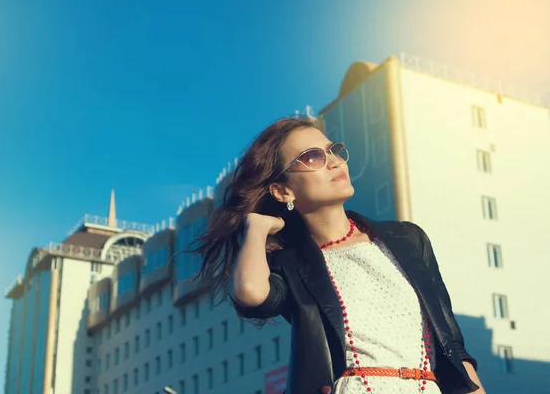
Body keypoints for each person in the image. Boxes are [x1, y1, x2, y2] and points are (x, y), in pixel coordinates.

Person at [193, 116, 485, 394]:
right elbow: (250, 293)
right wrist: (255, 227)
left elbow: (452, 346)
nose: (334, 161)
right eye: (312, 157)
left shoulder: (408, 239)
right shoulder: (292, 265)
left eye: (333, 150)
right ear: (282, 190)